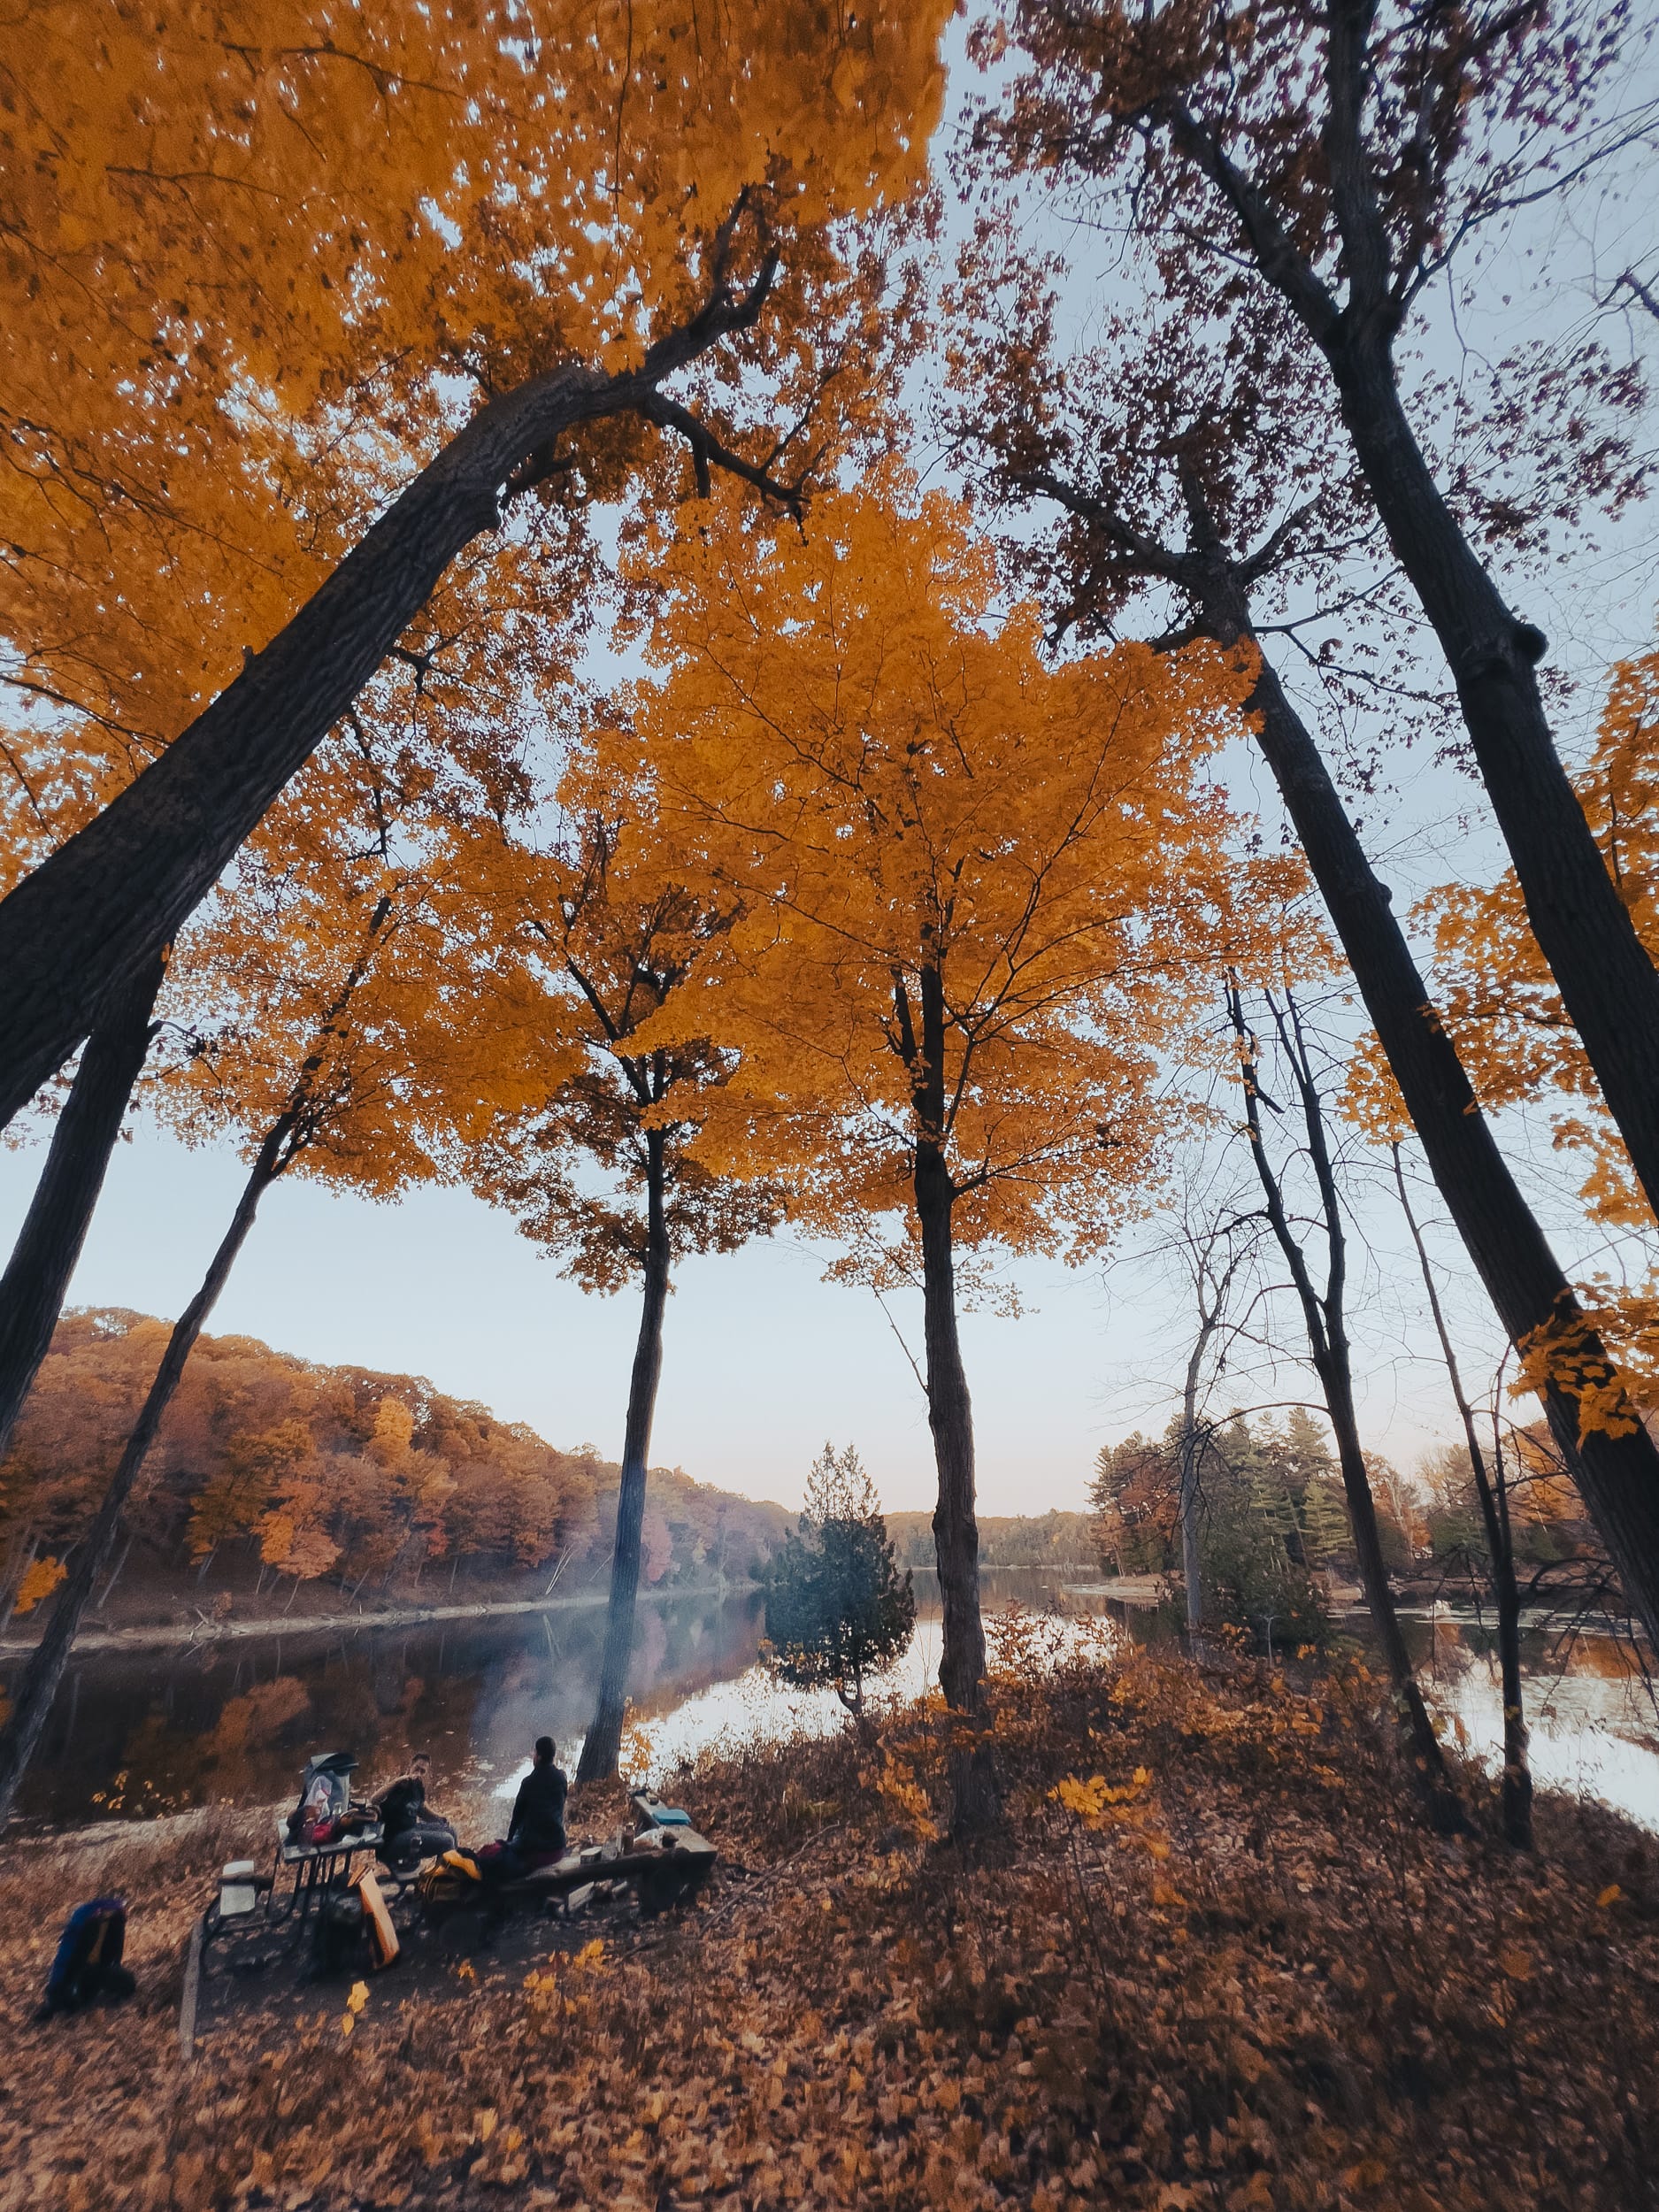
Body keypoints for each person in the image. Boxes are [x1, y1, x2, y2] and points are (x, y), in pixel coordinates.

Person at [474, 1735, 569, 1886]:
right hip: (558, 1848)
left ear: (538, 1756)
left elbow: (516, 1818)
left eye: (534, 1753)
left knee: (490, 1863)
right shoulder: (561, 1779)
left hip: (536, 1855)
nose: (533, 1756)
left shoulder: (528, 1783)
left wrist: (509, 1842)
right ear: (553, 1756)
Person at [372, 1751, 456, 1877]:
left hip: (411, 1829)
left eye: (423, 1771)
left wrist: (439, 1817)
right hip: (393, 1839)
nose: (419, 1774)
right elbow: (374, 1799)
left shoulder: (418, 1787)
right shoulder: (399, 1783)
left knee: (451, 1830)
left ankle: (450, 1873)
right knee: (447, 1841)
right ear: (410, 1765)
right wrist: (397, 1782)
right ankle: (440, 1883)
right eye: (417, 1769)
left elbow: (421, 1810)